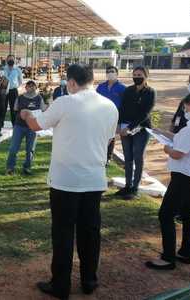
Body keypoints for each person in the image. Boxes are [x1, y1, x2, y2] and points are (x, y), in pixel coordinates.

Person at [19, 63, 118, 299]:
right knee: (90, 233)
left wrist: (25, 113)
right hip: (94, 179)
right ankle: (89, 280)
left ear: (72, 82)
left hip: (66, 181)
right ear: (92, 80)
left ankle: (61, 285)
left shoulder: (65, 102)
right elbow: (109, 139)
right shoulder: (110, 106)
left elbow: (35, 125)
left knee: (63, 234)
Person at [145, 92, 190, 270]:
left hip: (184, 177)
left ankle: (168, 258)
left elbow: (178, 154)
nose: (184, 110)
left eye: (185, 106)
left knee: (166, 215)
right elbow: (181, 139)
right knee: (188, 216)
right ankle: (186, 253)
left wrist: (167, 149)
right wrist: (162, 133)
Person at [117, 66, 156, 200]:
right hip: (125, 127)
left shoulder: (150, 92)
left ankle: (135, 187)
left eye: (140, 75)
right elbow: (122, 109)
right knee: (128, 158)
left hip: (141, 129)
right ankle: (127, 185)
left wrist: (130, 127)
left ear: (146, 76)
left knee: (138, 158)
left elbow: (145, 113)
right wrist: (119, 125)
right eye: (135, 75)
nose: (137, 77)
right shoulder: (128, 91)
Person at [6, 80, 46, 176]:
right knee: (13, 148)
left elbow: (43, 110)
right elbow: (15, 109)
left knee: (30, 149)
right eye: (29, 86)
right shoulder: (20, 98)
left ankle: (27, 167)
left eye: (33, 86)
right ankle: (10, 168)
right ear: (26, 87)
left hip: (32, 127)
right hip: (19, 126)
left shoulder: (39, 98)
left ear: (36, 88)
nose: (31, 88)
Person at [96, 66, 126, 164]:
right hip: (101, 116)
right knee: (100, 136)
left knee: (111, 136)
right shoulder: (101, 87)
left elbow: (124, 105)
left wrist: (120, 121)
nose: (110, 73)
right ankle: (99, 154)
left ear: (117, 74)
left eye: (112, 71)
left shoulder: (122, 88)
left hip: (114, 117)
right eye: (108, 71)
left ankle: (108, 157)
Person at [4, 55, 23, 125]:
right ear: (6, 60)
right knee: (3, 107)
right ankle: (0, 125)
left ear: (14, 60)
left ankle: (14, 124)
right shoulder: (3, 69)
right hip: (4, 91)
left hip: (13, 91)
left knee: (14, 108)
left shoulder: (18, 70)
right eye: (9, 59)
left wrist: (17, 87)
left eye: (12, 59)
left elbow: (21, 81)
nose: (10, 61)